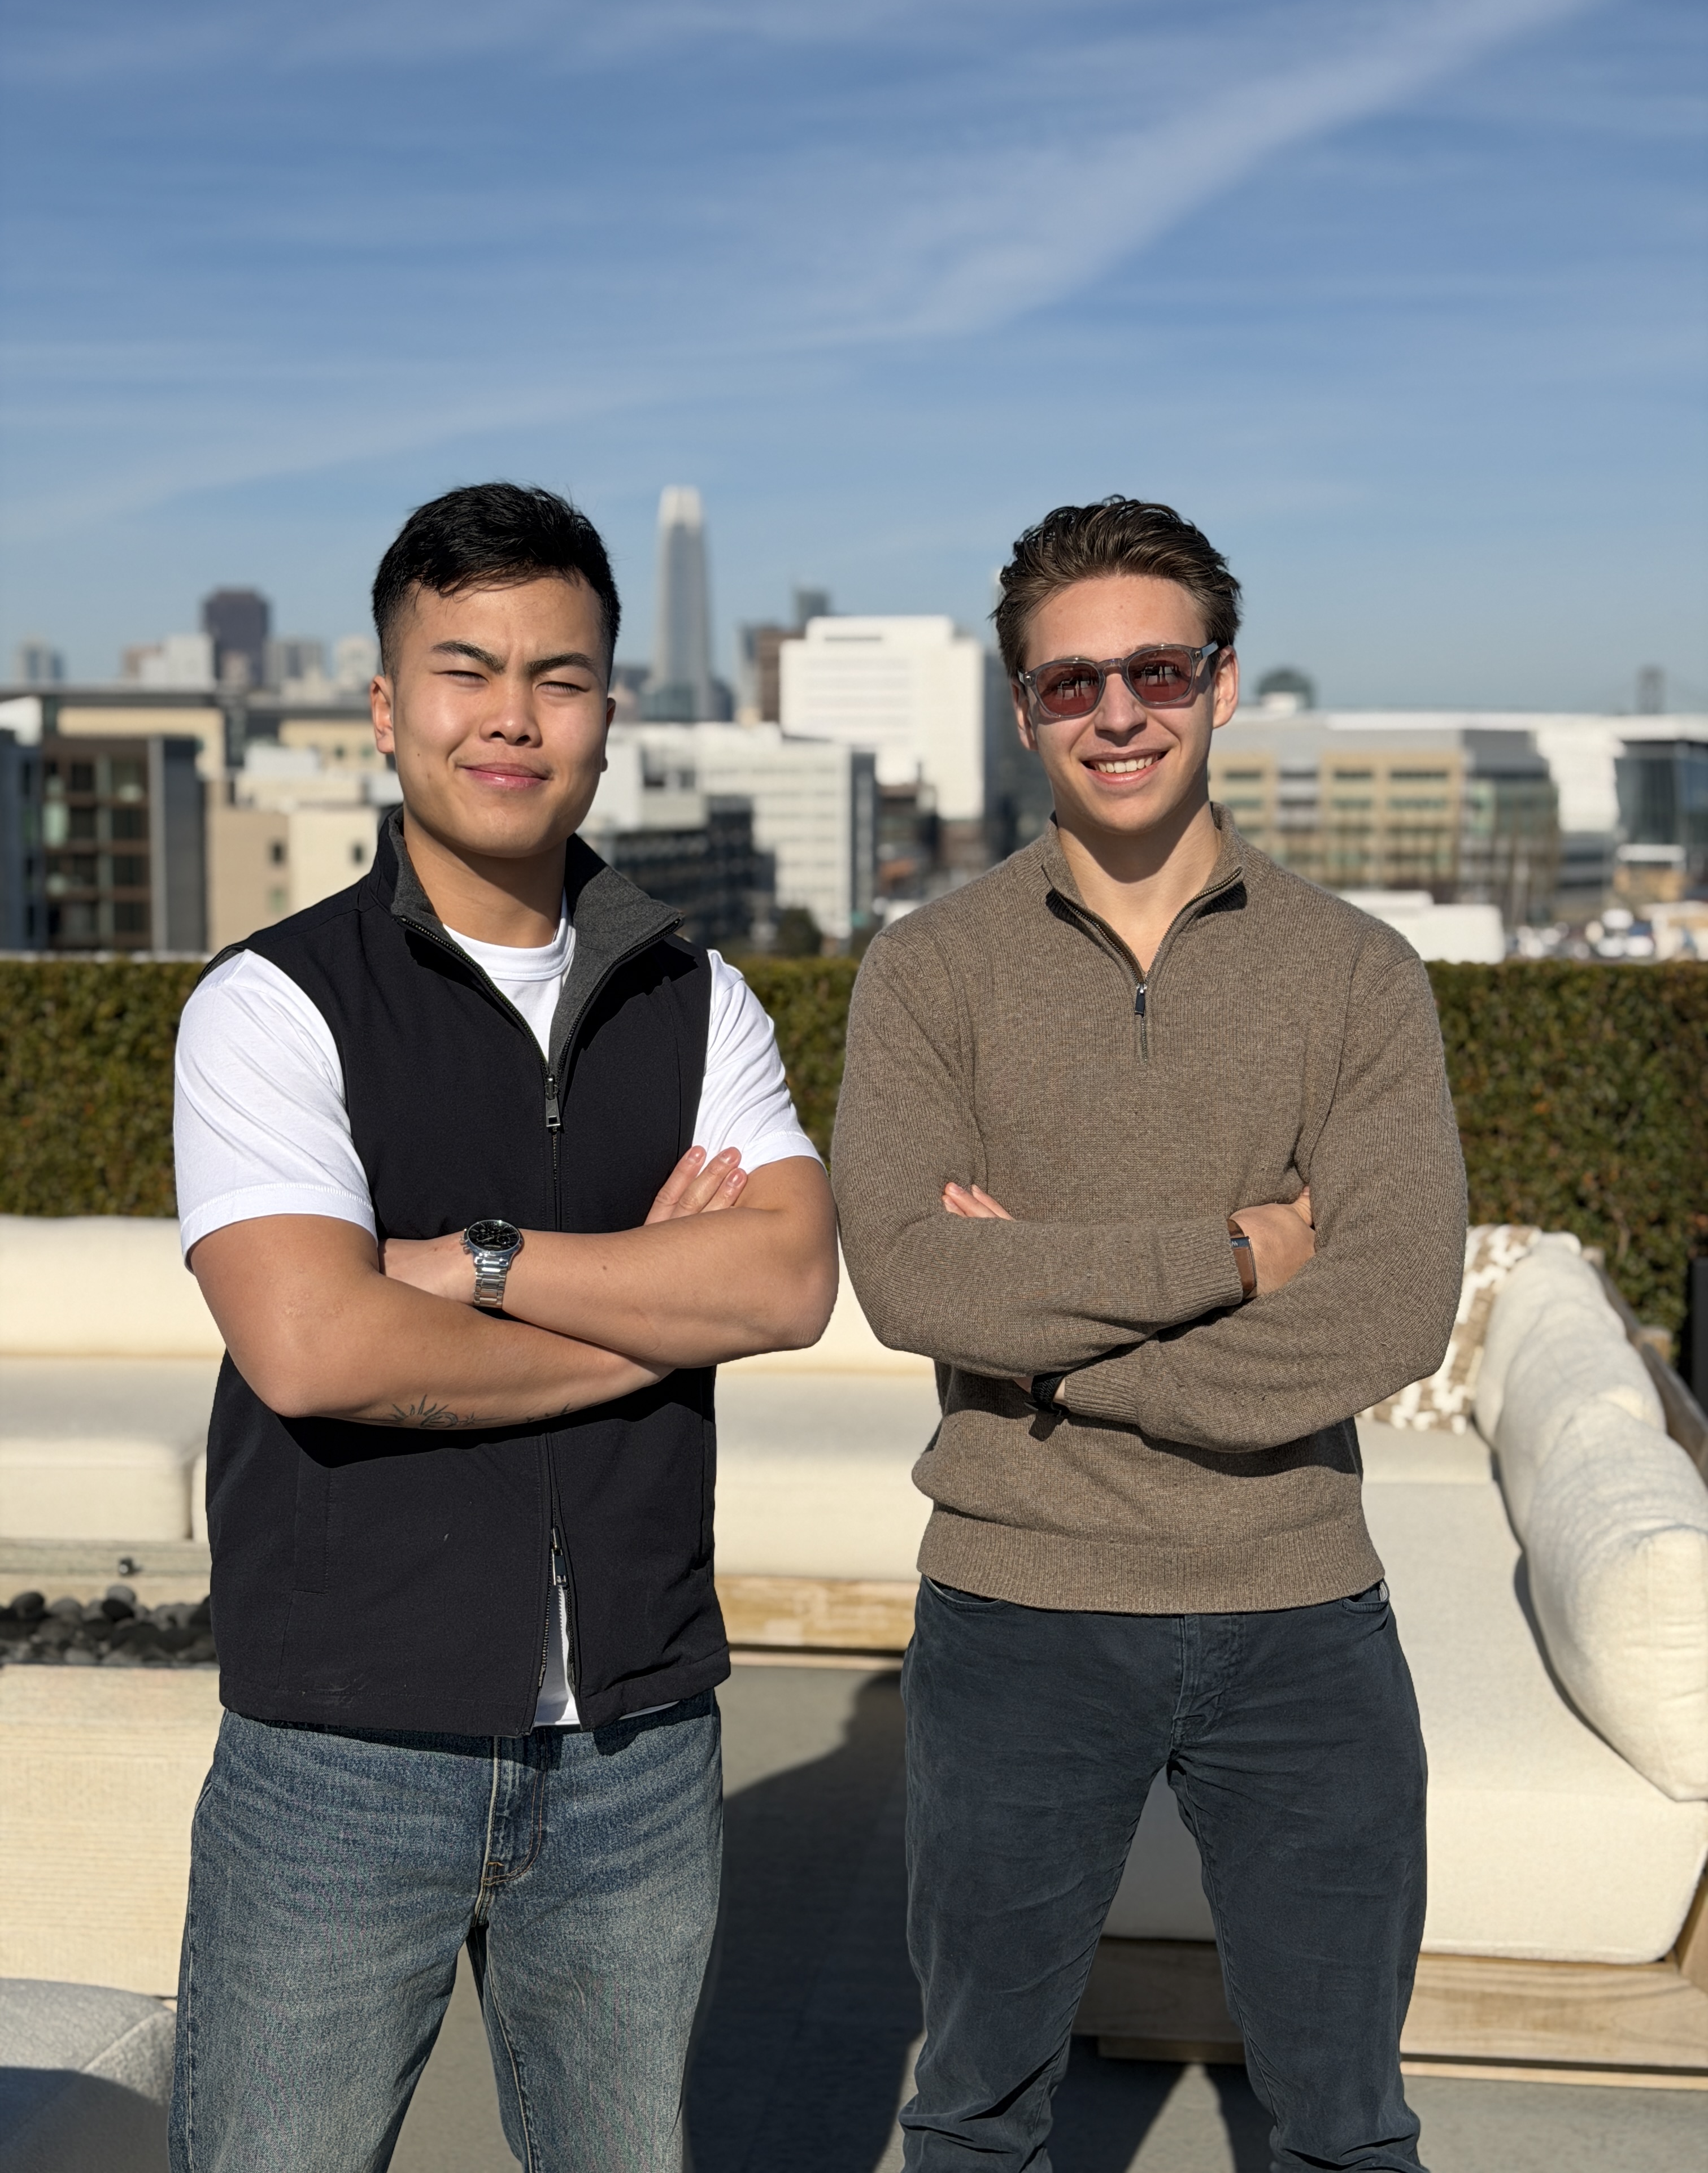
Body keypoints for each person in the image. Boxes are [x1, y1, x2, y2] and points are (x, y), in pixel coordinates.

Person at [171, 482, 838, 2173]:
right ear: (388, 710)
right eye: (464, 671)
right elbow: (316, 1352)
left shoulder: (697, 1000)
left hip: (635, 1748)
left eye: (559, 675)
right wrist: (650, 1316)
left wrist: (469, 1261)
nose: (513, 716)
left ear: (610, 712)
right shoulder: (269, 1005)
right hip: (339, 1751)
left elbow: (783, 1285)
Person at [832, 497, 1467, 2172]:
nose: (1118, 712)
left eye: (1158, 670)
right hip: (1016, 1611)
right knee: (972, 2117)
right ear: (1023, 709)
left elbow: (1394, 1305)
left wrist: (1041, 1332)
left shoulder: (1360, 975)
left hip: (1300, 1614)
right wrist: (1236, 1255)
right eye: (1070, 684)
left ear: (1224, 683)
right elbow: (907, 1281)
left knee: (1348, 2127)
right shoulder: (924, 971)